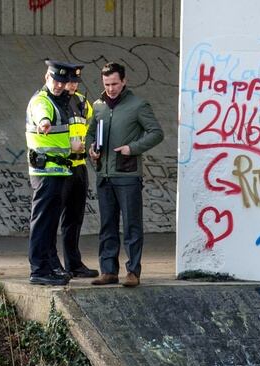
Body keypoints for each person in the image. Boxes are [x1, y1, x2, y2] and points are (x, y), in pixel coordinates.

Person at [87, 61, 163, 287]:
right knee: (107, 225)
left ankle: (133, 272)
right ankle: (108, 271)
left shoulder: (138, 105)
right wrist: (91, 147)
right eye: (107, 84)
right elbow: (91, 133)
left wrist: (133, 148)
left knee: (131, 225)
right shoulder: (98, 106)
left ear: (124, 81)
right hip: (104, 174)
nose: (111, 88)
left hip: (128, 175)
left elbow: (156, 133)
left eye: (115, 83)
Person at [25, 59, 86, 286]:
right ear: (46, 78)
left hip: (60, 171)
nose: (59, 85)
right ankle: (39, 269)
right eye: (55, 80)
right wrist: (44, 123)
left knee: (50, 223)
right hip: (46, 172)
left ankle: (50, 265)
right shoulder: (42, 101)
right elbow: (42, 115)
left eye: (63, 81)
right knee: (42, 222)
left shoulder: (61, 101)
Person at [59, 65, 97, 279]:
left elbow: (93, 124)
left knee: (75, 218)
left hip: (79, 165)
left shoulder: (82, 101)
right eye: (69, 81)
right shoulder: (54, 102)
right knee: (53, 218)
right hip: (60, 167)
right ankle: (51, 264)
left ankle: (73, 264)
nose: (72, 85)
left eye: (75, 81)